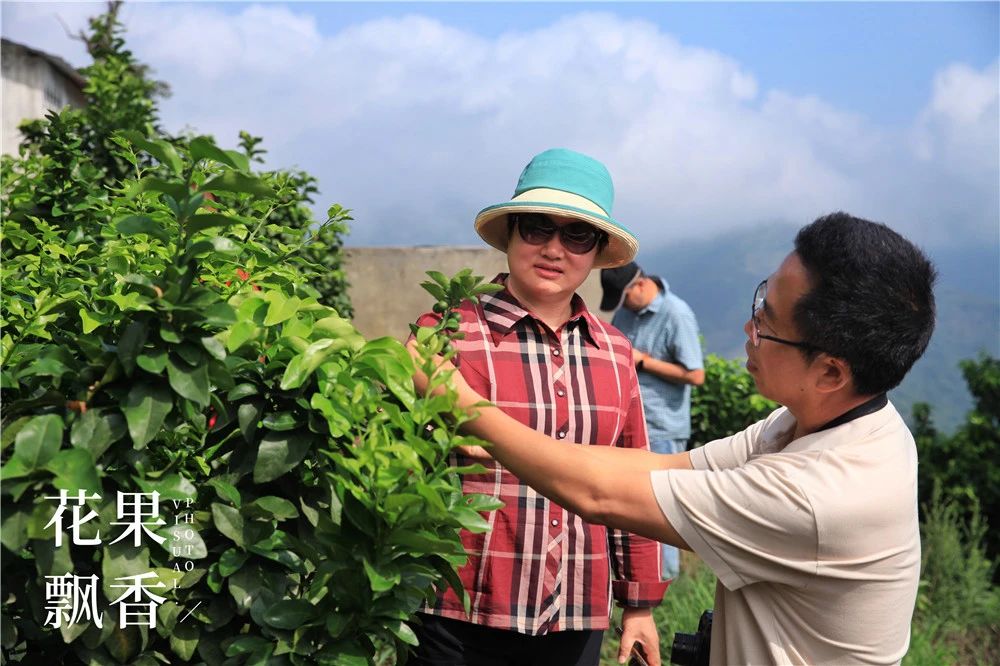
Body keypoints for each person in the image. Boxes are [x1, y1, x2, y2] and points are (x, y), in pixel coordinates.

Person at [413, 212, 936, 665]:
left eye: (767, 323)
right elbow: (651, 468)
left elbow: (602, 493)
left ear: (830, 374)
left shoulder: (820, 497)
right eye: (761, 301)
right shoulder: (817, 427)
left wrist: (464, 406)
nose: (748, 329)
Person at [409, 148, 668, 666]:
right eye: (536, 228)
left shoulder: (615, 355)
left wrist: (638, 606)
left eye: (576, 235)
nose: (553, 249)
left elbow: (633, 483)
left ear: (596, 251)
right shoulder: (445, 335)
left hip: (575, 609)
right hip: (459, 607)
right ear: (510, 235)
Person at [600, 262, 704, 578]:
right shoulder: (626, 312)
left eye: (625, 298)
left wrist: (643, 362)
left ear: (641, 285)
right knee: (629, 506)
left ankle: (665, 582)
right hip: (628, 423)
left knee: (661, 509)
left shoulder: (676, 314)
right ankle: (636, 576)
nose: (623, 308)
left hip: (661, 427)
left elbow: (696, 375)